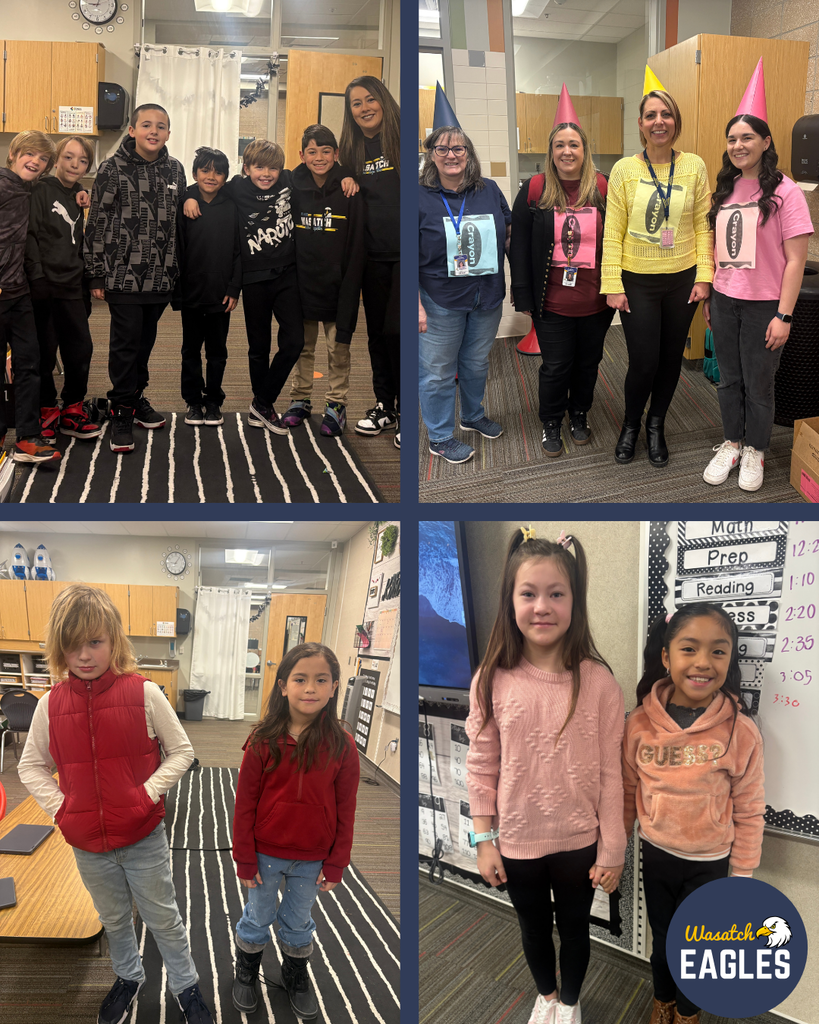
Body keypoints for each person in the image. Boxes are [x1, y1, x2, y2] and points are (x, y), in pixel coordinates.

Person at [17, 584, 213, 1024]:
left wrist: (144, 794)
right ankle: (128, 976)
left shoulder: (143, 693)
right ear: (59, 648)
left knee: (163, 918)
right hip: (88, 845)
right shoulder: (50, 704)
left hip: (142, 836)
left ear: (113, 642)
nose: (84, 655)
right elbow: (30, 766)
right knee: (115, 919)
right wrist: (62, 809)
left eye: (95, 642)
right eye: (72, 645)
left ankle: (186, 986)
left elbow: (182, 752)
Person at [466, 528, 626, 1024]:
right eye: (529, 594)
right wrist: (483, 839)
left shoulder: (598, 681)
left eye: (556, 594)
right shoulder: (492, 677)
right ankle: (548, 997)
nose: (542, 606)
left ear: (574, 601)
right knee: (533, 929)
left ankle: (572, 1004)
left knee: (576, 930)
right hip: (515, 841)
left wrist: (613, 849)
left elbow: (611, 773)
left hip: (579, 840)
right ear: (510, 601)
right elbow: (481, 764)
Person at [622, 603, 764, 1024]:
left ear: (730, 659)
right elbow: (628, 792)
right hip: (658, 854)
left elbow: (751, 810)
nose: (703, 662)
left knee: (698, 948)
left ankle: (687, 1013)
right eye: (689, 649)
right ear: (666, 657)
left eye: (719, 651)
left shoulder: (740, 730)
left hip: (710, 862)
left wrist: (741, 878)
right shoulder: (640, 723)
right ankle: (662, 1001)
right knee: (663, 941)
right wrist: (612, 847)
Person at [231, 642, 359, 1019]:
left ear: (334, 687)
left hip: (312, 856)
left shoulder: (342, 745)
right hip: (265, 853)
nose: (310, 688)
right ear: (283, 685)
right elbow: (244, 805)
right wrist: (244, 858)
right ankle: (247, 971)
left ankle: (295, 972)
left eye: (321, 680)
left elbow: (347, 809)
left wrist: (337, 863)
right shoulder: (262, 740)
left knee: (298, 920)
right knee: (258, 915)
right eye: (300, 679)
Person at [602, 88, 713, 467]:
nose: (658, 122)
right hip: (637, 280)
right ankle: (631, 424)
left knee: (670, 360)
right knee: (644, 361)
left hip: (683, 279)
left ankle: (656, 424)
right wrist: (612, 284)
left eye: (665, 114)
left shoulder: (695, 166)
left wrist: (705, 276)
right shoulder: (624, 170)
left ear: (675, 121)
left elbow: (703, 225)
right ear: (640, 124)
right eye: (650, 115)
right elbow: (612, 231)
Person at [703, 113, 811, 491]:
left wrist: (784, 314)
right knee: (729, 379)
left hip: (765, 305)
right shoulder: (725, 188)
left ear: (766, 142)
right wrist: (712, 296)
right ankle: (732, 442)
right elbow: (717, 249)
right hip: (724, 300)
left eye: (747, 137)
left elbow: (796, 259)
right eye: (732, 138)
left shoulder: (787, 191)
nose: (738, 146)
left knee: (759, 383)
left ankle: (756, 449)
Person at [511, 94, 613, 456]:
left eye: (573, 144)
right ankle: (551, 420)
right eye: (559, 145)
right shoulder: (535, 189)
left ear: (585, 150)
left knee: (588, 364)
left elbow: (617, 241)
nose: (566, 151)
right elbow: (519, 245)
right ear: (551, 151)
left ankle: (579, 413)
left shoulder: (602, 188)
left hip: (596, 301)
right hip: (551, 301)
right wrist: (522, 296)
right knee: (555, 367)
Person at [85, 103, 187, 452]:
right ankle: (121, 410)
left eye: (161, 126)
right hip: (123, 276)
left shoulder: (175, 169)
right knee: (125, 346)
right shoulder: (112, 168)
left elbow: (178, 224)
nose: (153, 131)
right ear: (132, 130)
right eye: (146, 125)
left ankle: (136, 396)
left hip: (161, 276)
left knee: (144, 344)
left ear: (169, 133)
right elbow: (97, 220)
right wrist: (96, 273)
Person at [185, 139, 302, 434]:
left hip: (288, 275)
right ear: (246, 168)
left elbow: (320, 172)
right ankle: (261, 407)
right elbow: (205, 184)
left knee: (294, 342)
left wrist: (349, 178)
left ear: (281, 169)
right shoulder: (235, 187)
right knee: (258, 347)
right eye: (259, 167)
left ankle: (262, 401)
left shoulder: (289, 180)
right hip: (253, 279)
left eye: (272, 167)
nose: (266, 173)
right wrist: (188, 197)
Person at [419, 125, 511, 465]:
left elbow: (509, 232)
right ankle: (440, 437)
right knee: (437, 372)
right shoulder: (418, 196)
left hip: (486, 296)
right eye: (442, 149)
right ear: (431, 155)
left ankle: (472, 415)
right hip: (439, 299)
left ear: (469, 154)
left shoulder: (489, 190)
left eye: (459, 149)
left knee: (475, 363)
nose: (451, 155)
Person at [281, 124, 365, 437]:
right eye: (312, 152)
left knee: (337, 349)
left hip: (337, 285)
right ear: (301, 155)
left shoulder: (349, 190)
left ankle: (336, 404)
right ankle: (300, 399)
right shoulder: (291, 185)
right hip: (301, 282)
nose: (319, 157)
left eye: (326, 151)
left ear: (336, 154)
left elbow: (356, 244)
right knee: (301, 346)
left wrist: (351, 284)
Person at [25, 135, 102, 443]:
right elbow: (31, 236)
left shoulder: (79, 195)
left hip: (74, 286)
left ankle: (72, 408)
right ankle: (46, 410)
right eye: (69, 157)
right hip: (45, 287)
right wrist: (38, 277)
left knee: (80, 349)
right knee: (44, 353)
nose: (75, 164)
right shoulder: (40, 190)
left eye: (82, 160)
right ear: (56, 159)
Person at [339, 76, 401, 448]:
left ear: (382, 99)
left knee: (399, 334)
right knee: (376, 334)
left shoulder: (403, 140)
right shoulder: (351, 147)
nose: (364, 108)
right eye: (356, 104)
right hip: (371, 256)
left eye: (368, 99)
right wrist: (345, 172)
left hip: (405, 255)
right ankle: (385, 405)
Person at [0, 129, 61, 464]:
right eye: (30, 154)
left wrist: (80, 193)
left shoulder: (31, 189)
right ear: (14, 153)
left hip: (19, 292)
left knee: (30, 364)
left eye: (42, 160)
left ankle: (27, 437)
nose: (35, 162)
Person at [173, 146, 242, 427]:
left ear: (226, 177)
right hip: (191, 292)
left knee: (217, 352)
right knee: (190, 350)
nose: (211, 176)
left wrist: (234, 288)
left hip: (220, 294)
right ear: (195, 174)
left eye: (218, 171)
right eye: (205, 170)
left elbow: (239, 252)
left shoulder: (233, 204)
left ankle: (213, 400)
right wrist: (189, 195)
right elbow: (177, 249)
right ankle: (193, 401)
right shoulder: (185, 203)